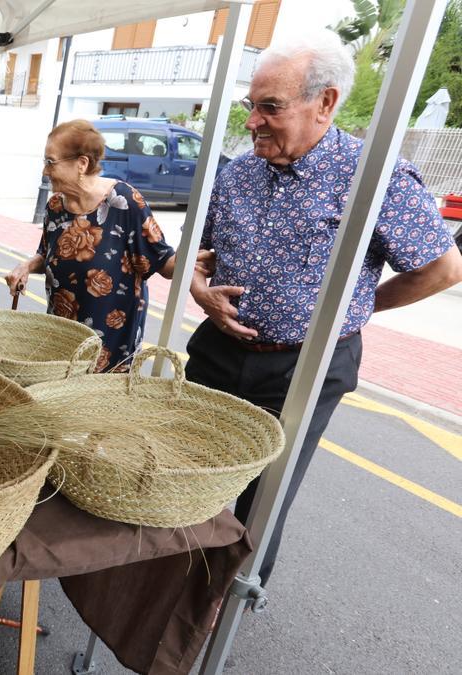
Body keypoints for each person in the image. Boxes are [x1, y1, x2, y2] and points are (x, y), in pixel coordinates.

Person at [187, 31, 462, 585]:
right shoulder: (239, 171)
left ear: (326, 103)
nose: (253, 122)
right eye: (251, 106)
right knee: (188, 476)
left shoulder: (374, 177)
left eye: (271, 107)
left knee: (260, 502)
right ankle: (167, 590)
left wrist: (355, 310)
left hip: (302, 368)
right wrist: (197, 286)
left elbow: (443, 269)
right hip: (217, 352)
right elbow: (203, 254)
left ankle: (218, 615)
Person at [4, 119, 181, 372]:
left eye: (50, 162)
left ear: (82, 163)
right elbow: (47, 253)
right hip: (61, 337)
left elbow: (164, 263)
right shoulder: (56, 207)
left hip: (110, 345)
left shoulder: (124, 202)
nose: (45, 171)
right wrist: (26, 266)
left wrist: (194, 253)